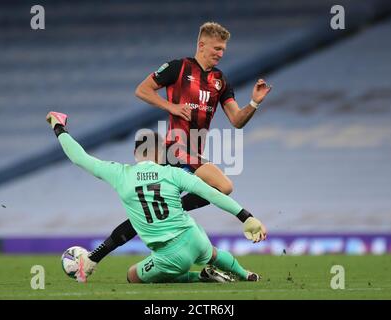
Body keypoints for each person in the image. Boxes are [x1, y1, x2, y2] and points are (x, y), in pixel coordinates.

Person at [84, 22, 272, 274]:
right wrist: (171, 107)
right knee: (224, 187)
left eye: (224, 50)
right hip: (177, 149)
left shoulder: (220, 81)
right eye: (217, 48)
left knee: (147, 215)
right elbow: (142, 90)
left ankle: (96, 255)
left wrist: (254, 103)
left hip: (194, 153)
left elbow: (237, 121)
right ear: (201, 45)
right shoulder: (177, 68)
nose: (220, 53)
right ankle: (174, 210)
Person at [47, 111, 267, 283]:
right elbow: (213, 193)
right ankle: (245, 274)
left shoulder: (120, 174)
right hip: (195, 238)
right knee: (213, 254)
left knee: (132, 276)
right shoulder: (173, 173)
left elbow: (79, 157)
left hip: (170, 255)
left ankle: (199, 277)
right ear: (161, 153)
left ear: (135, 153)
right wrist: (246, 217)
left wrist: (59, 127)